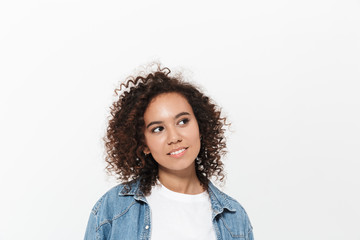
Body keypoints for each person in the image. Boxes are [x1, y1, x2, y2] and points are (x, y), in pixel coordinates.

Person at [84, 65, 254, 240]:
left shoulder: (234, 217)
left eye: (182, 121)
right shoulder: (114, 208)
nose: (174, 137)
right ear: (144, 144)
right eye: (158, 129)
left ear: (200, 126)